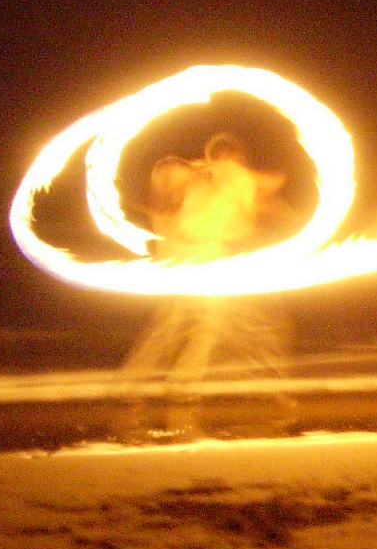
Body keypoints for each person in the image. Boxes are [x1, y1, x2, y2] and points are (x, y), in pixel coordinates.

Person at [118, 132, 295, 436]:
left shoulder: (201, 176)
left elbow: (257, 200)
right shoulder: (227, 177)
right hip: (201, 260)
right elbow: (246, 220)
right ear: (231, 156)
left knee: (173, 331)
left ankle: (130, 397)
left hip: (188, 259)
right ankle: (178, 408)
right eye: (235, 157)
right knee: (201, 333)